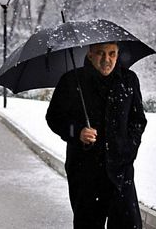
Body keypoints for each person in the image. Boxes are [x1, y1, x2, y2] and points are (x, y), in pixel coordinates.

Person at [46, 42, 147, 228]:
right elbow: (54, 118)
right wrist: (77, 132)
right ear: (90, 54)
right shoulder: (72, 81)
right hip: (85, 172)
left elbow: (138, 120)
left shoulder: (129, 80)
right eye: (100, 53)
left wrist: (128, 150)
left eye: (112, 54)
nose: (106, 59)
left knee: (127, 224)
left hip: (120, 171)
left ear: (118, 54)